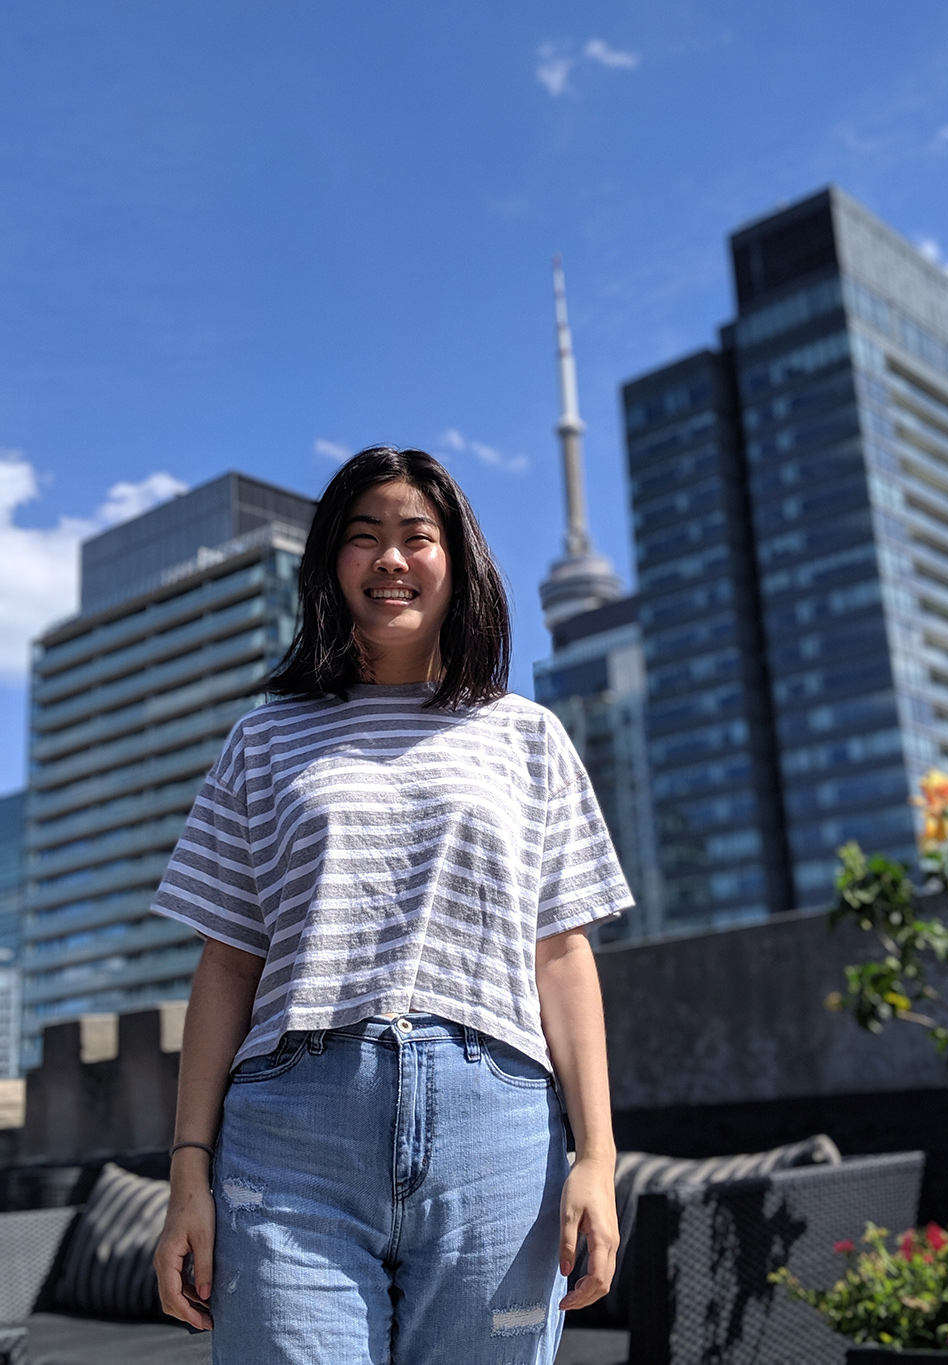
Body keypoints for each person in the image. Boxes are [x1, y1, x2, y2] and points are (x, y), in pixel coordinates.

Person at [152, 446, 633, 1365]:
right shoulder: (264, 737)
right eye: (362, 538)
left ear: (461, 561)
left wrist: (598, 1157)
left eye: (418, 536)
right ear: (330, 566)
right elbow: (226, 965)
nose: (390, 559)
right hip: (290, 1135)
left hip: (496, 1129)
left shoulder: (529, 735)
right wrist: (188, 1173)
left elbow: (562, 956)